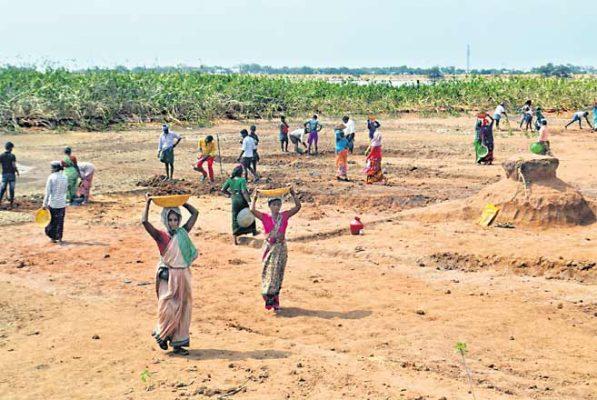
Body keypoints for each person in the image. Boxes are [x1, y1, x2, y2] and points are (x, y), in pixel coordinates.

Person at [142, 197, 198, 356]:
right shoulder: (160, 236)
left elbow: (195, 213)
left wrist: (182, 202)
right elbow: (145, 222)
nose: (173, 222)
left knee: (183, 308)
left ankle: (178, 343)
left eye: (176, 219)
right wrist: (148, 203)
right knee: (167, 307)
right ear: (165, 219)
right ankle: (161, 333)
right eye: (170, 219)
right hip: (168, 274)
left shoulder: (182, 232)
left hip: (183, 275)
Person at [251, 188, 301, 311]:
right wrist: (255, 197)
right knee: (268, 273)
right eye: (274, 205)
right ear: (269, 206)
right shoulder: (265, 217)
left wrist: (293, 194)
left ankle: (275, 302)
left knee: (277, 275)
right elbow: (252, 210)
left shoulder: (284, 216)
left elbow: (298, 207)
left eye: (278, 204)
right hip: (269, 248)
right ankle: (268, 298)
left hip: (281, 248)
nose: (276, 207)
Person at [221, 165, 257, 245]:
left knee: (235, 218)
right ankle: (253, 231)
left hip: (234, 201)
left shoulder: (230, 180)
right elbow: (244, 191)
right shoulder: (242, 180)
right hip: (242, 200)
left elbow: (223, 190)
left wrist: (231, 195)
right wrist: (249, 201)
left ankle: (235, 240)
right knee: (250, 214)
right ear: (240, 172)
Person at [43, 161, 68, 244]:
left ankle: (53, 238)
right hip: (62, 203)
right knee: (60, 221)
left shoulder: (51, 177)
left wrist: (44, 204)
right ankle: (60, 238)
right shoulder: (65, 177)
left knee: (52, 221)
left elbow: (48, 192)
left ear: (54, 168)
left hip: (53, 203)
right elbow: (65, 190)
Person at [0, 142, 19, 209]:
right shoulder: (12, 156)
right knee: (11, 189)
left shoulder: (1, 155)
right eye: (12, 148)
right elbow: (13, 165)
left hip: (4, 174)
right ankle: (11, 204)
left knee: (2, 189)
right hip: (11, 175)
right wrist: (17, 171)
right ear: (10, 148)